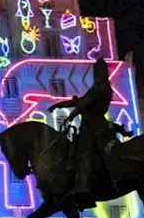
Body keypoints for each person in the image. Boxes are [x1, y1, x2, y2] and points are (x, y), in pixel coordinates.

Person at [47, 57, 129, 207]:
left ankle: (83, 187)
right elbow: (81, 101)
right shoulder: (100, 87)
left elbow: (84, 103)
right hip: (94, 124)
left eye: (96, 72)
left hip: (94, 126)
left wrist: (71, 115)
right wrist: (59, 105)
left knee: (83, 153)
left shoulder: (101, 87)